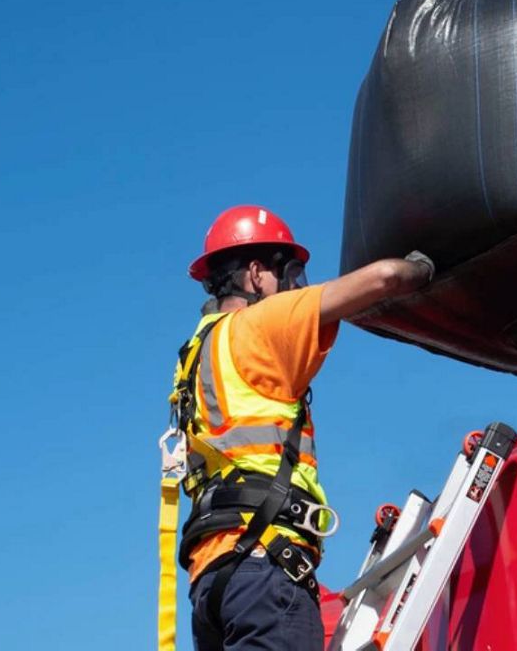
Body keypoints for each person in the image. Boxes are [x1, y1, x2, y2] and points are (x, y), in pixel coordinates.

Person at [171, 205, 433, 651]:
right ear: (256, 274)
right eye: (288, 274)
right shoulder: (259, 327)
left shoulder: (196, 355)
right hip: (265, 568)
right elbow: (384, 278)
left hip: (211, 583)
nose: (293, 288)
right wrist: (425, 267)